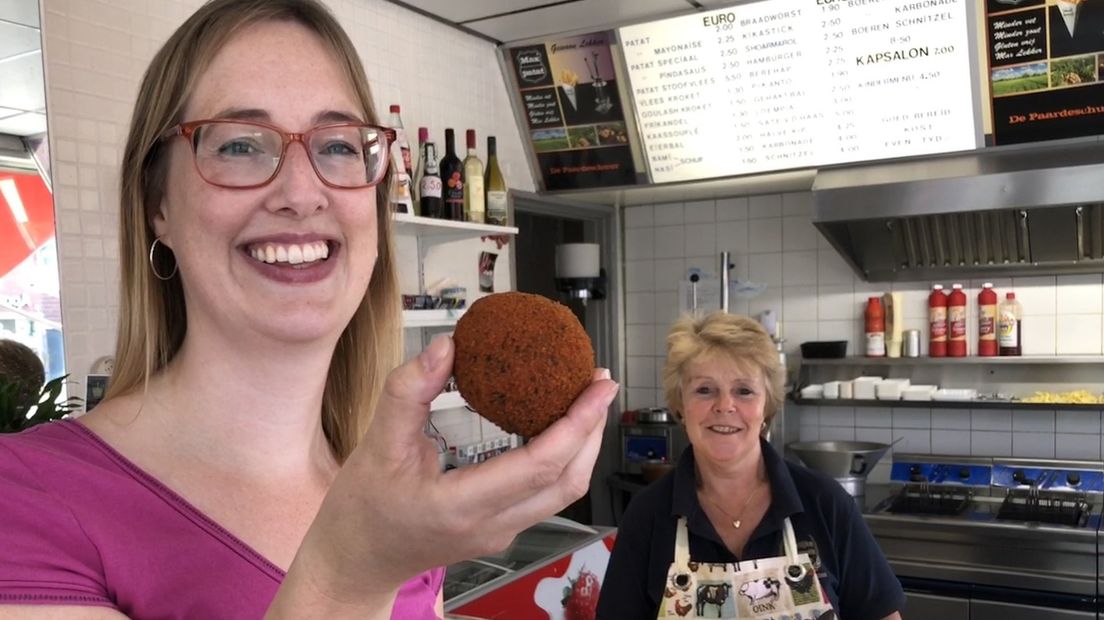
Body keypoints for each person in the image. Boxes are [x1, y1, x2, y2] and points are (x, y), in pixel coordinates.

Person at [0, 1, 616, 618]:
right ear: (157, 203)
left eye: (340, 146)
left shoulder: (386, 487)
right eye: (240, 144)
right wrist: (351, 572)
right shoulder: (23, 502)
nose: (301, 193)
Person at [597, 312, 903, 619]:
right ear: (680, 404)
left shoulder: (825, 503)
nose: (725, 405)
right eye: (705, 389)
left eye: (744, 391)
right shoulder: (647, 515)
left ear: (766, 406)